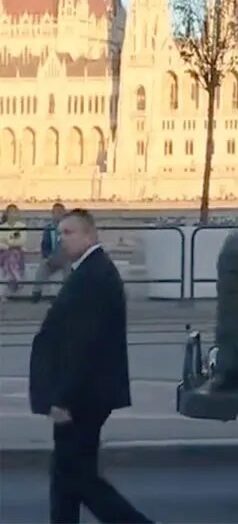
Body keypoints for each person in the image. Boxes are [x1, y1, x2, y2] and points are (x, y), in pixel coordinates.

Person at [28, 208, 153, 524]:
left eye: (68, 233)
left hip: (82, 397)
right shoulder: (88, 270)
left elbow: (83, 347)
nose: (62, 240)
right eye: (59, 234)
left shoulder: (94, 276)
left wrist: (61, 398)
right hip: (85, 393)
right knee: (65, 472)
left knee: (78, 477)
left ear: (89, 235)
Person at [35, 202, 69, 303]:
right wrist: (46, 257)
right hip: (52, 257)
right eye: (56, 212)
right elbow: (44, 244)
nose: (58, 215)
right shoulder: (48, 228)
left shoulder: (68, 228)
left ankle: (66, 296)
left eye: (60, 212)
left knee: (69, 271)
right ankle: (36, 293)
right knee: (41, 269)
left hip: (66, 257)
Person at [2, 204, 27, 300]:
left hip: (17, 252)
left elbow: (22, 241)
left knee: (11, 257)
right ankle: (18, 279)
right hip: (4, 252)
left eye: (14, 211)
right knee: (9, 256)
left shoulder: (21, 226)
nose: (12, 214)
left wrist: (8, 241)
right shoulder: (2, 227)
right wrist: (10, 243)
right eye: (10, 211)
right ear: (7, 213)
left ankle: (11, 283)